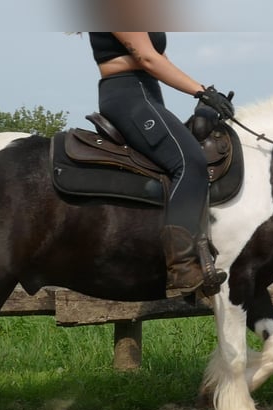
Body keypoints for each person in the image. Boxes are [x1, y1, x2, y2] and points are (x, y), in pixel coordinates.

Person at [89, 32, 235, 297]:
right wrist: (202, 91)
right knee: (189, 162)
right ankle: (181, 267)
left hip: (148, 96)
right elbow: (147, 58)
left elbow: (159, 60)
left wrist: (204, 93)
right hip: (128, 95)